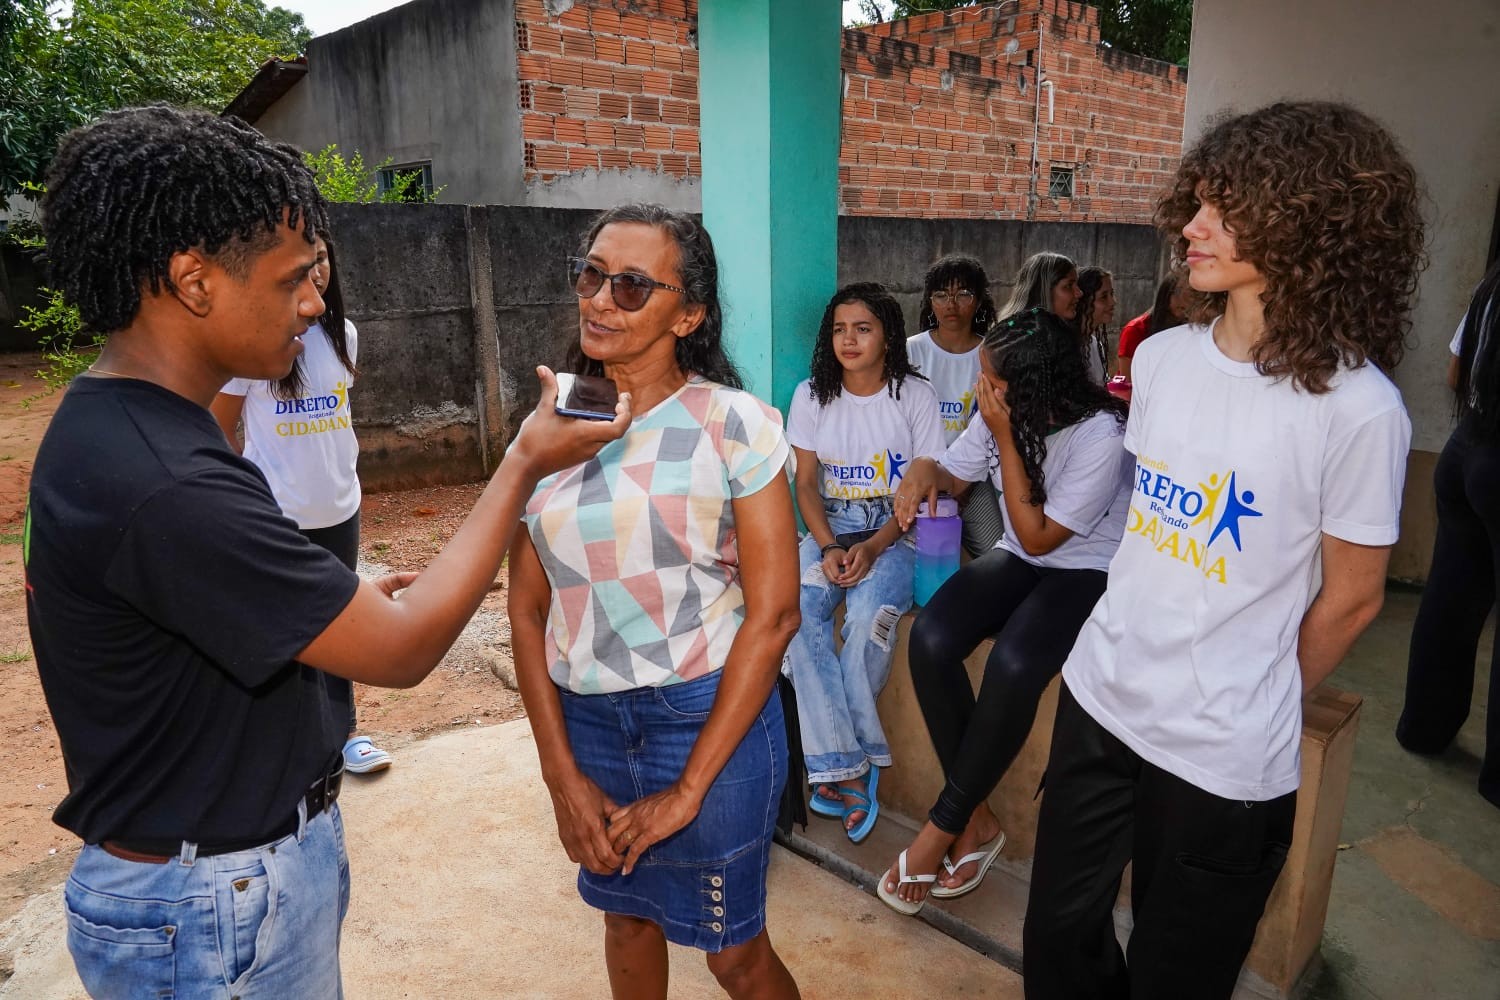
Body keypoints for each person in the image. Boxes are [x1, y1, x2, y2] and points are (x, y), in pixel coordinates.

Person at [25, 106, 630, 999]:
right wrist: (522, 462)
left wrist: (321, 590)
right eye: (292, 280)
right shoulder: (170, 479)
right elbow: (403, 650)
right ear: (194, 281)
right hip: (211, 905)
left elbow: (188, 604)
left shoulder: (113, 423)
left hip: (208, 877)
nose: (314, 304)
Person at [1021, 101, 1424, 999]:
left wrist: (1257, 688)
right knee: (1057, 942)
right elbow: (1149, 536)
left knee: (1178, 975)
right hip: (1102, 697)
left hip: (1223, 752)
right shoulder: (1163, 359)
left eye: (1224, 209)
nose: (1190, 229)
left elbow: (1354, 597)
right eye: (1195, 202)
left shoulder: (1360, 410)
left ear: (1307, 224)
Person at [507, 204, 802, 999]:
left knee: (734, 954)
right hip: (590, 725)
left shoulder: (733, 425)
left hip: (710, 721)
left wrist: (689, 790)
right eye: (592, 276)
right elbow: (527, 613)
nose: (601, 300)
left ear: (691, 314)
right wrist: (559, 773)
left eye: (633, 286)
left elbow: (775, 616)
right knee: (626, 920)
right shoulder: (547, 432)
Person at [878, 306, 1130, 916]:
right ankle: (978, 820)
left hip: (1087, 567)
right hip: (1019, 550)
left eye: (991, 380)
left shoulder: (1101, 434)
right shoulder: (997, 411)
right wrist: (921, 470)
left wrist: (1004, 436)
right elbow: (955, 477)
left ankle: (942, 828)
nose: (978, 389)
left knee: (1015, 663)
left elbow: (1044, 536)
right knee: (932, 636)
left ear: (1036, 387)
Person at [211, 232, 393, 775]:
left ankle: (345, 736)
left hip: (340, 508)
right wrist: (247, 499)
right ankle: (286, 743)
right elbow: (219, 429)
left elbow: (334, 424)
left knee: (337, 622)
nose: (315, 273)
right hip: (278, 517)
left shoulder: (344, 336)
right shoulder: (255, 345)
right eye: (302, 264)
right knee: (281, 629)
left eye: (322, 260)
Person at [785, 282, 943, 843]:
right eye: (838, 329)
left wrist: (872, 548)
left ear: (888, 335)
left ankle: (840, 770)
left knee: (867, 622)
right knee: (796, 616)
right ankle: (849, 765)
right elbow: (805, 483)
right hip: (829, 526)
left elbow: (924, 490)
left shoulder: (915, 397)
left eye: (863, 328)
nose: (847, 340)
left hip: (898, 535)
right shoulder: (812, 396)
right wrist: (828, 546)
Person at [1398, 258, 1500, 809]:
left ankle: (1423, 729)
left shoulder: (1489, 288)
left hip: (1465, 452)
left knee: (1449, 599)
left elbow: (1455, 374)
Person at [906, 253, 1004, 555]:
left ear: (978, 301)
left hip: (975, 477)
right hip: (916, 474)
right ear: (930, 301)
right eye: (941, 294)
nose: (951, 304)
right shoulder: (911, 350)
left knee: (995, 550)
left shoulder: (993, 354)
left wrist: (964, 483)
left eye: (963, 294)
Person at [1115, 274, 1191, 379]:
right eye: (1178, 292)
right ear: (1165, 295)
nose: (1185, 300)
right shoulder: (1135, 330)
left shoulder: (1192, 331)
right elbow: (1126, 379)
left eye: (1191, 293)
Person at [999, 251, 1081, 327]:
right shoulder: (1018, 338)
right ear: (1043, 291)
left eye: (1077, 284)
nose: (1079, 293)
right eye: (1068, 285)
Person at [1075, 265, 1116, 384]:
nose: (1113, 302)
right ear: (1084, 302)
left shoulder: (1095, 344)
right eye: (1104, 297)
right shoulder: (1068, 348)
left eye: (1112, 294)